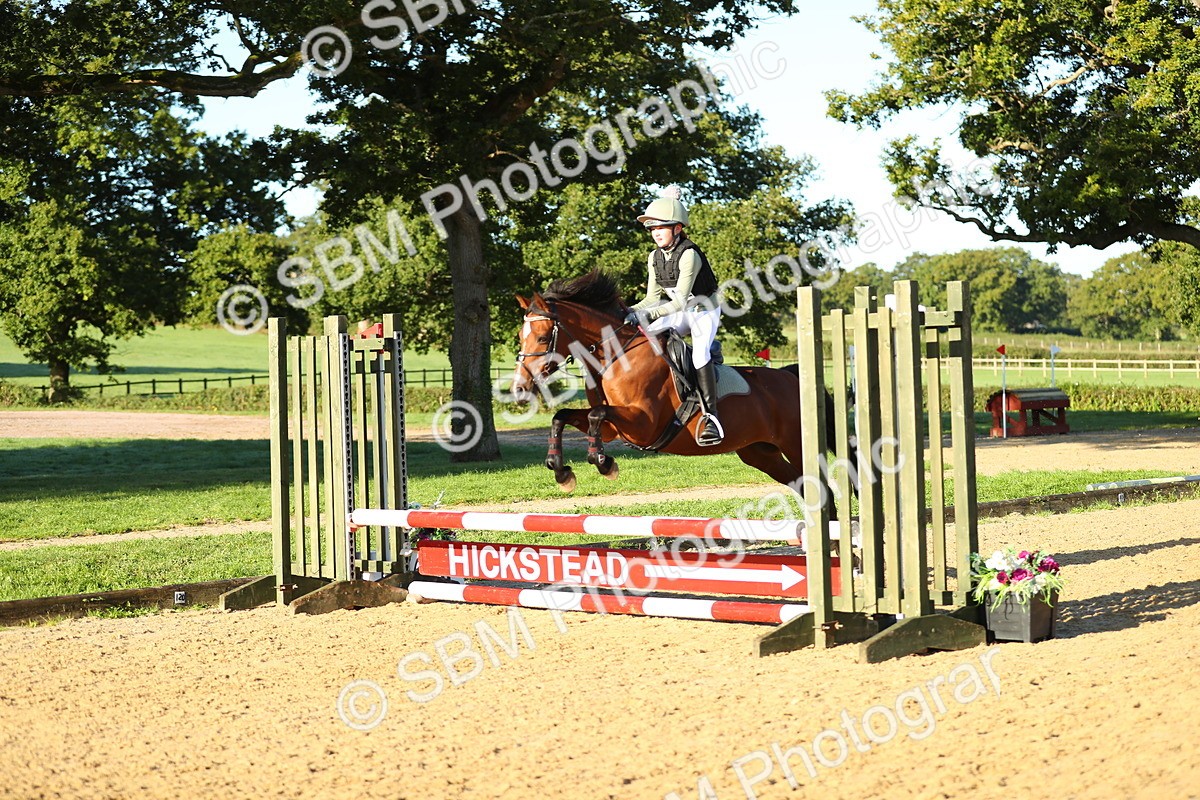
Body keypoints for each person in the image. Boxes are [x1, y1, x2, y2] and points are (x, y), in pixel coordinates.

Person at [624, 186, 725, 446]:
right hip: (679, 310)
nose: (655, 233)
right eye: (652, 229)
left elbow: (679, 302)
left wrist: (644, 314)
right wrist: (629, 311)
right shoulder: (654, 257)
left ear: (677, 228)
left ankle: (711, 417)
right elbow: (651, 299)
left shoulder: (689, 255)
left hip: (703, 311)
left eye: (662, 227)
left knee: (700, 354)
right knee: (648, 335)